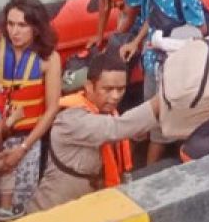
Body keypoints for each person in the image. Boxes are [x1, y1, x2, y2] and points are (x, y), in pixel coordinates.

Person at [29, 52, 159, 212]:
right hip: (52, 213)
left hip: (87, 208)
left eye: (121, 89)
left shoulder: (106, 112)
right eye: (108, 89)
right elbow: (116, 128)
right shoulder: (70, 119)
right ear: (89, 86)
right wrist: (161, 101)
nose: (116, 96)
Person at [0, 0, 61, 220]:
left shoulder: (49, 59)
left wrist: (22, 148)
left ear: (36, 28)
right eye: (10, 24)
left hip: (27, 139)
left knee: (19, 205)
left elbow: (51, 110)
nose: (15, 31)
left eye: (22, 25)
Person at [119, 0, 206, 163]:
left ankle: (148, 170)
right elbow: (151, 17)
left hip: (172, 70)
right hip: (151, 63)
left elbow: (200, 30)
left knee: (161, 125)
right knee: (149, 110)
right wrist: (137, 42)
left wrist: (169, 43)